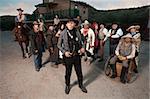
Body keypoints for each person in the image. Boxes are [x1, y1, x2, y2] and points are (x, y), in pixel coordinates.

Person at [57, 18, 87, 94]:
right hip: (68, 57)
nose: (70, 24)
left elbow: (84, 41)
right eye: (69, 23)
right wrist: (64, 52)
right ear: (66, 24)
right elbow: (59, 45)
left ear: (74, 24)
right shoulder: (63, 33)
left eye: (72, 23)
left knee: (79, 72)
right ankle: (67, 85)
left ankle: (81, 85)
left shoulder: (77, 32)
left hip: (77, 55)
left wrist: (83, 48)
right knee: (68, 72)